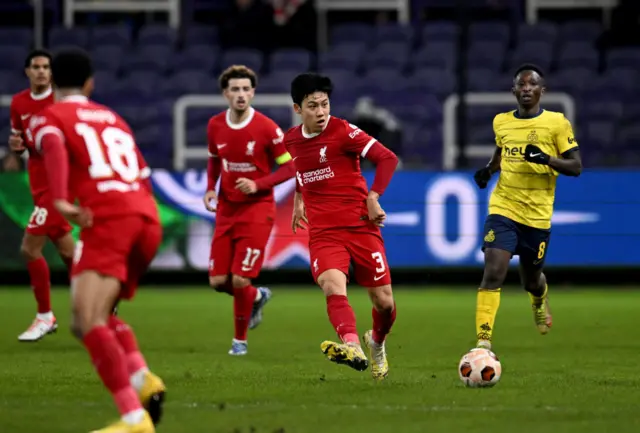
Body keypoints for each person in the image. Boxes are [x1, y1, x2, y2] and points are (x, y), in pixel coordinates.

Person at [30, 48, 166, 433]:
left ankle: (133, 416)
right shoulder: (114, 118)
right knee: (92, 318)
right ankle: (142, 380)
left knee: (87, 321)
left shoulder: (51, 116)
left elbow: (53, 145)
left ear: (53, 81)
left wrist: (59, 200)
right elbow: (141, 171)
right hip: (146, 218)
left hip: (109, 220)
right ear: (91, 83)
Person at [285, 73, 399, 381]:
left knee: (385, 303)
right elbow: (301, 168)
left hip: (361, 227)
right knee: (333, 286)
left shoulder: (344, 131)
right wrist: (299, 198)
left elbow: (387, 158)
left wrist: (374, 196)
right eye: (313, 106)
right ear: (298, 109)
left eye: (324, 104)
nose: (321, 112)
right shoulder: (291, 140)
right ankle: (352, 346)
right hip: (324, 233)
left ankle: (375, 342)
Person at [472, 64, 582, 350]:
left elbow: (576, 166)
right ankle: (483, 344)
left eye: (532, 85)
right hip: (504, 207)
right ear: (513, 90)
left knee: (531, 280)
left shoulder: (557, 123)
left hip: (537, 217)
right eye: (521, 85)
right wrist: (488, 170)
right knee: (493, 271)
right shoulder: (502, 122)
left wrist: (546, 159)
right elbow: (501, 153)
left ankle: (538, 299)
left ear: (541, 91)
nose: (526, 89)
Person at [204, 65, 296, 356]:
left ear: (253, 92)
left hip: (257, 210)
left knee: (241, 278)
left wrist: (259, 185)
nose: (241, 95)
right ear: (225, 94)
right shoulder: (215, 125)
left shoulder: (267, 128)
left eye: (246, 89)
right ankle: (256, 297)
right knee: (219, 282)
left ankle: (239, 342)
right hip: (226, 210)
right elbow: (214, 160)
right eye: (235, 89)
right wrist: (210, 188)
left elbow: (290, 167)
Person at [9, 49, 75, 342]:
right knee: (68, 252)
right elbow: (22, 144)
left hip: (58, 186)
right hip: (37, 183)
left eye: (46, 67)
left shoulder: (60, 101)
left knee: (29, 248)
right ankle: (104, 303)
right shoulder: (18, 103)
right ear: (27, 72)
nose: (41, 72)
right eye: (36, 67)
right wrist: (16, 147)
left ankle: (45, 315)